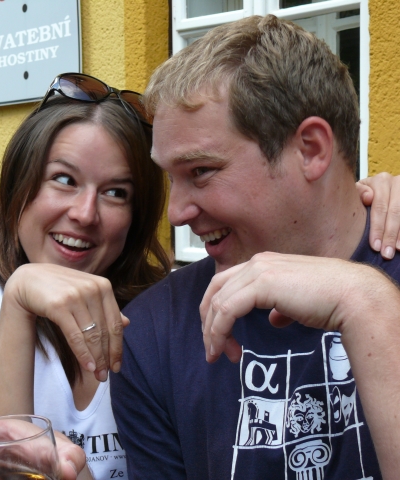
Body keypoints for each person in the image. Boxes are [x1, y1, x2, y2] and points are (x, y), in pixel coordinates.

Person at [109, 14, 400, 478]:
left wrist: (367, 304)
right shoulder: (153, 334)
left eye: (200, 171)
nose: (175, 213)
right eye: (170, 178)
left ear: (310, 149)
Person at [0, 73, 171, 479]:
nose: (85, 214)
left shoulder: (164, 309)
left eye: (115, 192)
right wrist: (19, 300)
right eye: (64, 180)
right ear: (19, 185)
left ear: (136, 217)